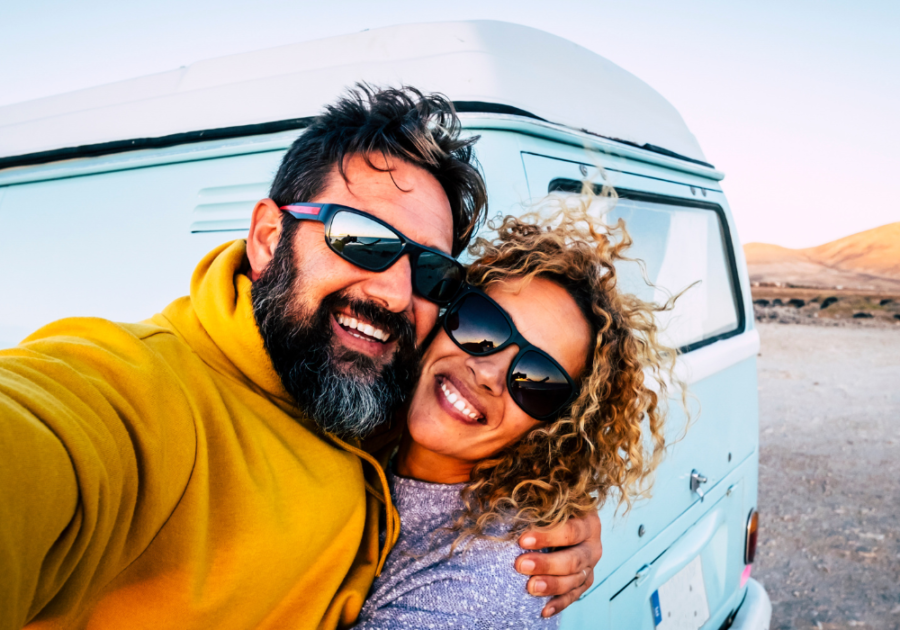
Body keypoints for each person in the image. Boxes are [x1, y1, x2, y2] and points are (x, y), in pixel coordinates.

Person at [0, 86, 600, 630]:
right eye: (361, 239)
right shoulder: (136, 398)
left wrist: (568, 508)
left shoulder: (373, 389)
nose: (393, 293)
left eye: (427, 270)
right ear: (267, 238)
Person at [352, 197, 676, 628]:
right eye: (482, 326)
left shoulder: (489, 581)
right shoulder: (355, 414)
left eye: (536, 379)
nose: (488, 373)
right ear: (447, 316)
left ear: (553, 429)